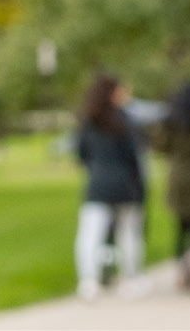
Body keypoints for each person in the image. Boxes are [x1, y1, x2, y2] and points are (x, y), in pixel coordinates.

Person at [67, 75, 147, 299]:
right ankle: (130, 278)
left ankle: (88, 280)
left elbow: (82, 153)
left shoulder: (88, 121)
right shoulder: (126, 121)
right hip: (125, 185)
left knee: (90, 235)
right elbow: (134, 156)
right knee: (128, 235)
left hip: (98, 184)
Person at [146, 81, 190, 294]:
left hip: (177, 176)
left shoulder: (171, 122)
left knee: (180, 227)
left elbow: (160, 146)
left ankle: (181, 269)